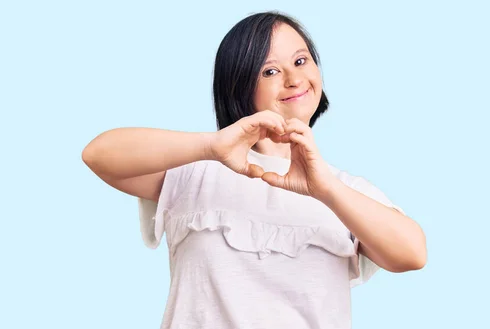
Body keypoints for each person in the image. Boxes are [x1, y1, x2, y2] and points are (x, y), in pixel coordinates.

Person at [82, 11, 427, 329]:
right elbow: (98, 154)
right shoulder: (194, 172)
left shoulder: (343, 189)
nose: (294, 79)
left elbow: (412, 254)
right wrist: (211, 146)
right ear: (240, 84)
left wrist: (325, 189)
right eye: (270, 71)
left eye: (301, 60)